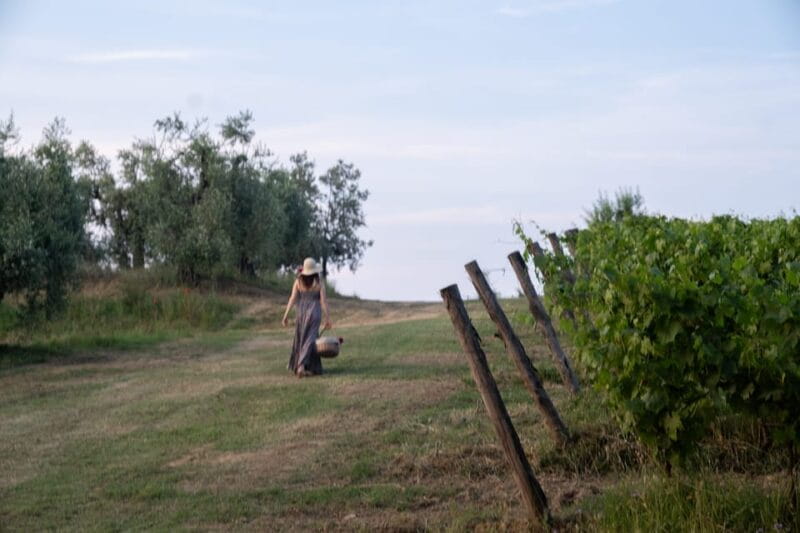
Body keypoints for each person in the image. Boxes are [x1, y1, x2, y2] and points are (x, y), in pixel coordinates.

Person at [282, 257, 332, 377]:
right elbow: (323, 302)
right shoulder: (319, 282)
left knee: (302, 338)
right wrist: (328, 318)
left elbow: (292, 298)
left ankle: (307, 366)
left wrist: (285, 315)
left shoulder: (298, 282)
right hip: (314, 311)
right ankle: (301, 365)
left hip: (301, 312)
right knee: (310, 339)